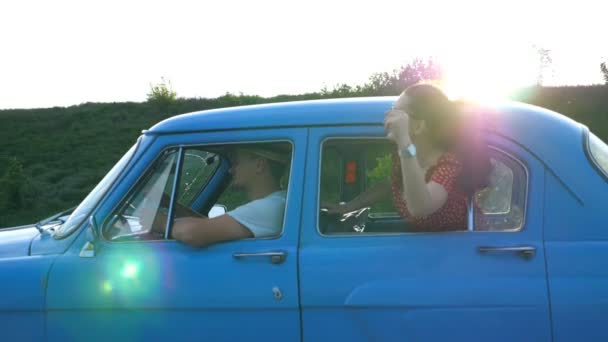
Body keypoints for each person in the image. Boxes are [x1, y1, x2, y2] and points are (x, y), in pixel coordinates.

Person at [326, 83, 490, 231]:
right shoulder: (407, 160)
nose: (389, 115)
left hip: (463, 253)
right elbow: (389, 186)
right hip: (427, 248)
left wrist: (404, 143)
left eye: (397, 112)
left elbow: (420, 207)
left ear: (419, 126)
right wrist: (347, 207)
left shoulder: (448, 164)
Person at [156, 145, 289, 247]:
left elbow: (192, 233)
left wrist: (160, 222)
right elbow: (212, 227)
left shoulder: (269, 207)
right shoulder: (278, 202)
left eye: (236, 163)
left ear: (259, 165)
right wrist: (171, 205)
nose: (231, 170)